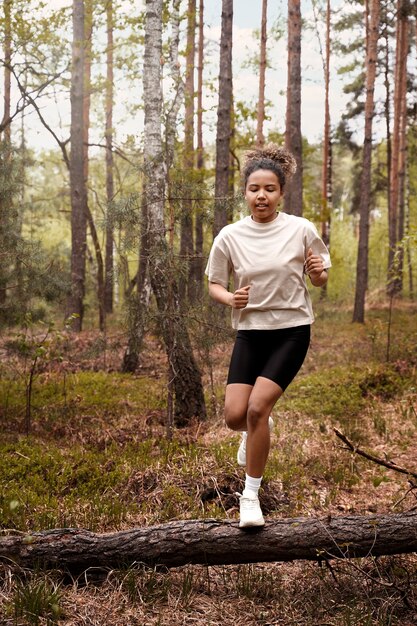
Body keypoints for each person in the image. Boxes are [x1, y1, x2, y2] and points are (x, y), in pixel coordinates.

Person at [205, 144, 331, 528]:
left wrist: (316, 273)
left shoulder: (300, 229)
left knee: (257, 409)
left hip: (291, 332)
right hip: (250, 332)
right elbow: (215, 284)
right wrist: (231, 297)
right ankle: (259, 429)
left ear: (281, 193)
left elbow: (321, 276)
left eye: (270, 189)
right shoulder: (230, 235)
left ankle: (250, 498)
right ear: (245, 192)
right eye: (254, 188)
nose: (262, 195)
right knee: (233, 417)